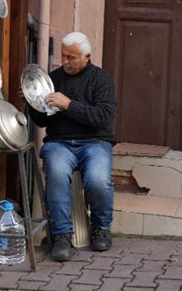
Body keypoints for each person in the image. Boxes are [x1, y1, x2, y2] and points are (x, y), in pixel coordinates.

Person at [28, 32, 117, 262]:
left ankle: (100, 228)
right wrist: (32, 102)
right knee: (57, 174)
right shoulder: (53, 78)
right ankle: (61, 236)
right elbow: (43, 121)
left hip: (95, 142)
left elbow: (103, 118)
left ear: (87, 56)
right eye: (63, 56)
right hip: (59, 142)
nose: (65, 62)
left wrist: (69, 105)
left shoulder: (102, 79)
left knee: (98, 180)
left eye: (71, 58)